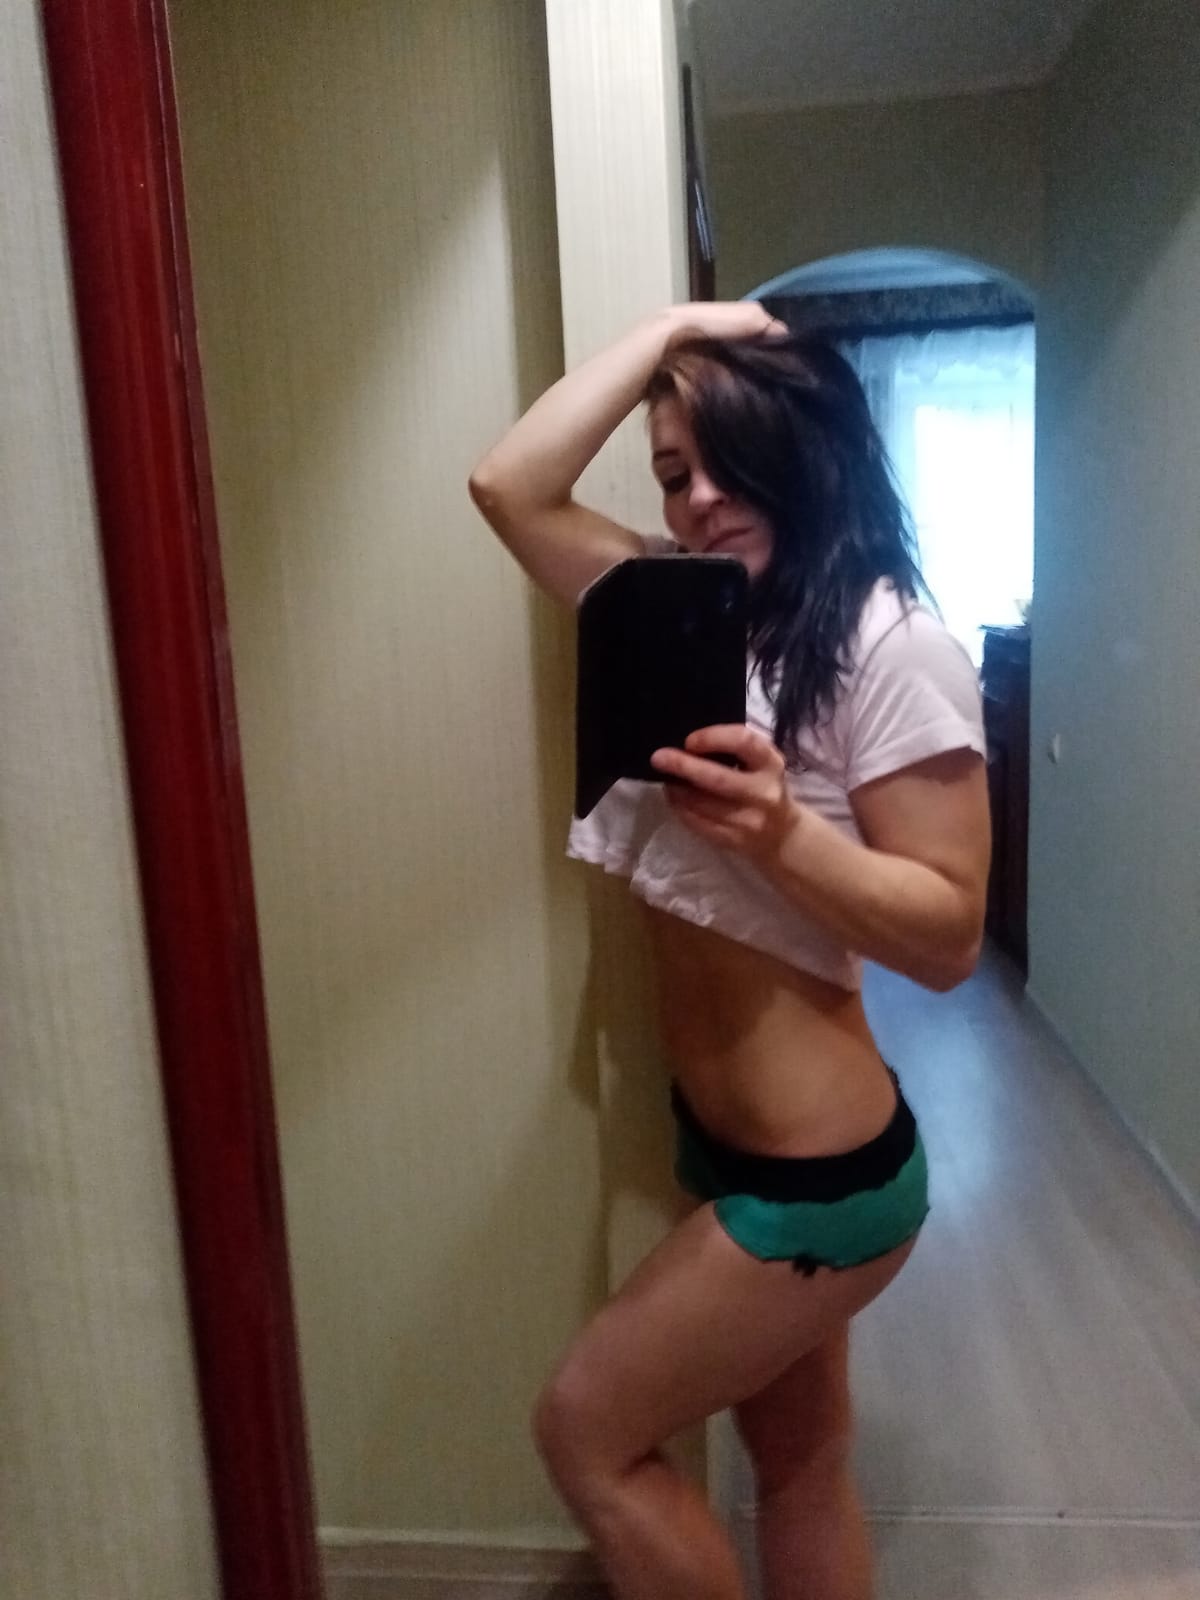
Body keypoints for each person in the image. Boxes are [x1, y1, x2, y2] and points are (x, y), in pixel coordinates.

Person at [467, 302, 991, 1600]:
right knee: (798, 1460)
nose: (698, 500)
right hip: (726, 1145)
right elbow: (508, 486)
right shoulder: (665, 610)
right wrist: (677, 329)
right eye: (672, 474)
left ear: (807, 453)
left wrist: (777, 833)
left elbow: (949, 936)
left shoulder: (890, 644)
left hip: (823, 1178)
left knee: (585, 1432)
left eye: (729, 464)